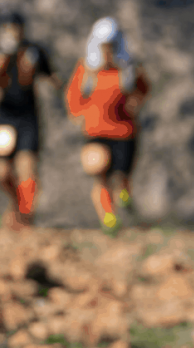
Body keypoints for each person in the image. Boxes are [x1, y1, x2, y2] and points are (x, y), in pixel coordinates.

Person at [0, 10, 62, 231]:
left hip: (27, 117)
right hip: (3, 117)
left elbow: (52, 76)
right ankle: (18, 204)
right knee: (1, 171)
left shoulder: (33, 52)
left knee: (27, 168)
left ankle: (25, 215)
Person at [65, 17, 150, 234]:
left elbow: (144, 88)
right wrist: (78, 113)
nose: (107, 51)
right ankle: (109, 218)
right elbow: (73, 94)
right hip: (95, 131)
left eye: (110, 46)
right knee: (99, 171)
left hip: (124, 132)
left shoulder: (128, 69)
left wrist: (136, 103)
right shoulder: (86, 70)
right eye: (103, 46)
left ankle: (124, 198)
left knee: (121, 178)